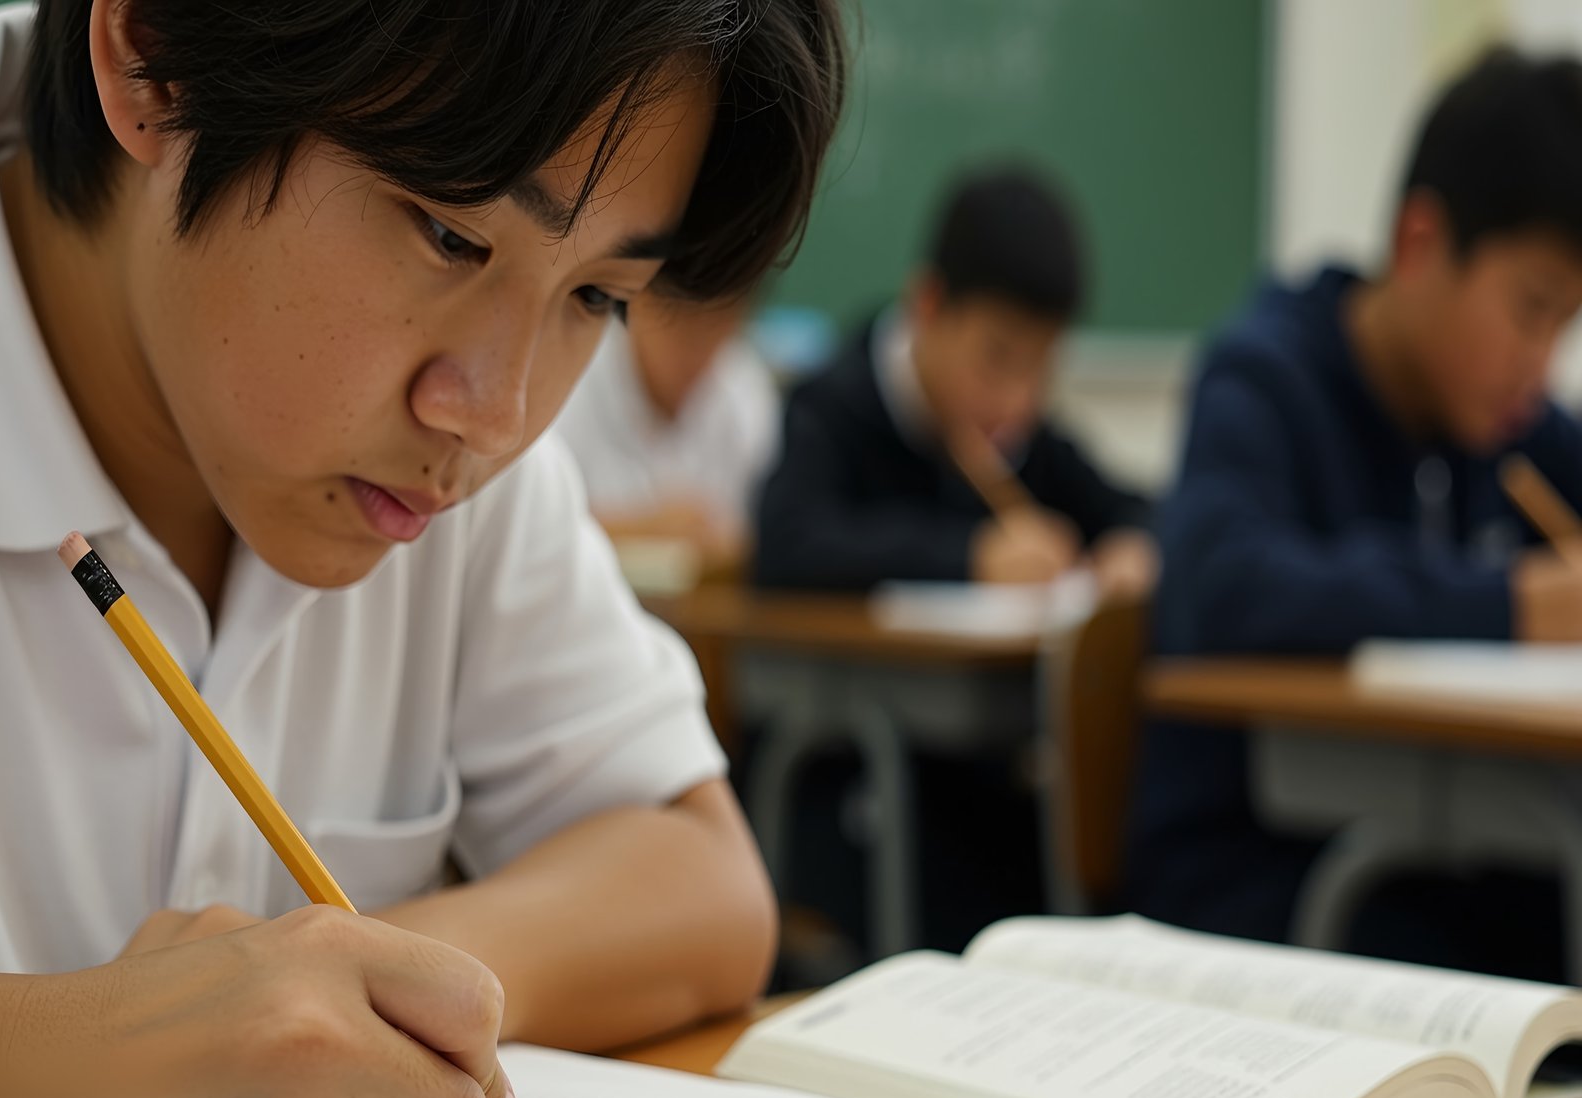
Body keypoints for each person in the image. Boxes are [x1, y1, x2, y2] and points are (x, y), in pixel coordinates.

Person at [0, 0, 843, 1098]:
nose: (494, 415)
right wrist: (37, 1091)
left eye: (598, 295)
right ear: (154, 55)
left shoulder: (437, 463)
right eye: (450, 233)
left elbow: (701, 877)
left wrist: (348, 1010)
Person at [1127, 49, 1582, 978]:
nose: (1542, 366)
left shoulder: (1508, 426)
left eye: (1566, 325)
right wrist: (1513, 606)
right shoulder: (1263, 378)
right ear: (1421, 244)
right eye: (1531, 311)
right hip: (1257, 875)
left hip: (1444, 855)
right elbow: (1222, 589)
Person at [752, 166, 1155, 597]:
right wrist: (969, 556)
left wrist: (1131, 545)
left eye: (1040, 368)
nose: (1016, 401)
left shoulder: (1019, 434)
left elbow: (1136, 509)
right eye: (997, 358)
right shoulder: (831, 406)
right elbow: (786, 548)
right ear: (929, 306)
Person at [555, 291, 778, 580]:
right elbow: (535, 529)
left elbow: (762, 534)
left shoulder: (743, 385)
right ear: (641, 303)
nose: (700, 352)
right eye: (685, 328)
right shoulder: (575, 372)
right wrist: (645, 528)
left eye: (720, 327)